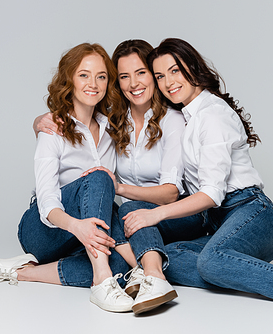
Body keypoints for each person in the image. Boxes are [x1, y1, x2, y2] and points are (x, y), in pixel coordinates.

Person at [116, 37, 273, 312]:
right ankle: (255, 272)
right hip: (218, 221)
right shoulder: (188, 116)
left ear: (192, 67)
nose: (168, 83)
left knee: (209, 262)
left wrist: (157, 214)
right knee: (167, 256)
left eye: (175, 71)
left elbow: (212, 194)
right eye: (160, 76)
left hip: (254, 214)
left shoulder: (212, 115)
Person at [34, 39, 206, 314]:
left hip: (152, 215)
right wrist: (40, 123)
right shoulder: (115, 122)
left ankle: (24, 272)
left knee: (121, 236)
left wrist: (121, 189)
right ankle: (132, 272)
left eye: (141, 73)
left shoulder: (167, 120)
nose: (133, 83)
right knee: (108, 192)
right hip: (89, 221)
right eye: (124, 76)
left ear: (153, 75)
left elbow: (171, 192)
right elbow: (74, 127)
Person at [0, 43, 135, 313]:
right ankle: (102, 283)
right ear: (69, 79)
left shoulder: (110, 129)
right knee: (99, 178)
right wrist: (77, 226)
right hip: (44, 230)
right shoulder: (53, 127)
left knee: (120, 264)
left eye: (101, 76)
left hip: (83, 239)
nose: (93, 83)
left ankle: (21, 272)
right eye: (84, 75)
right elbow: (47, 199)